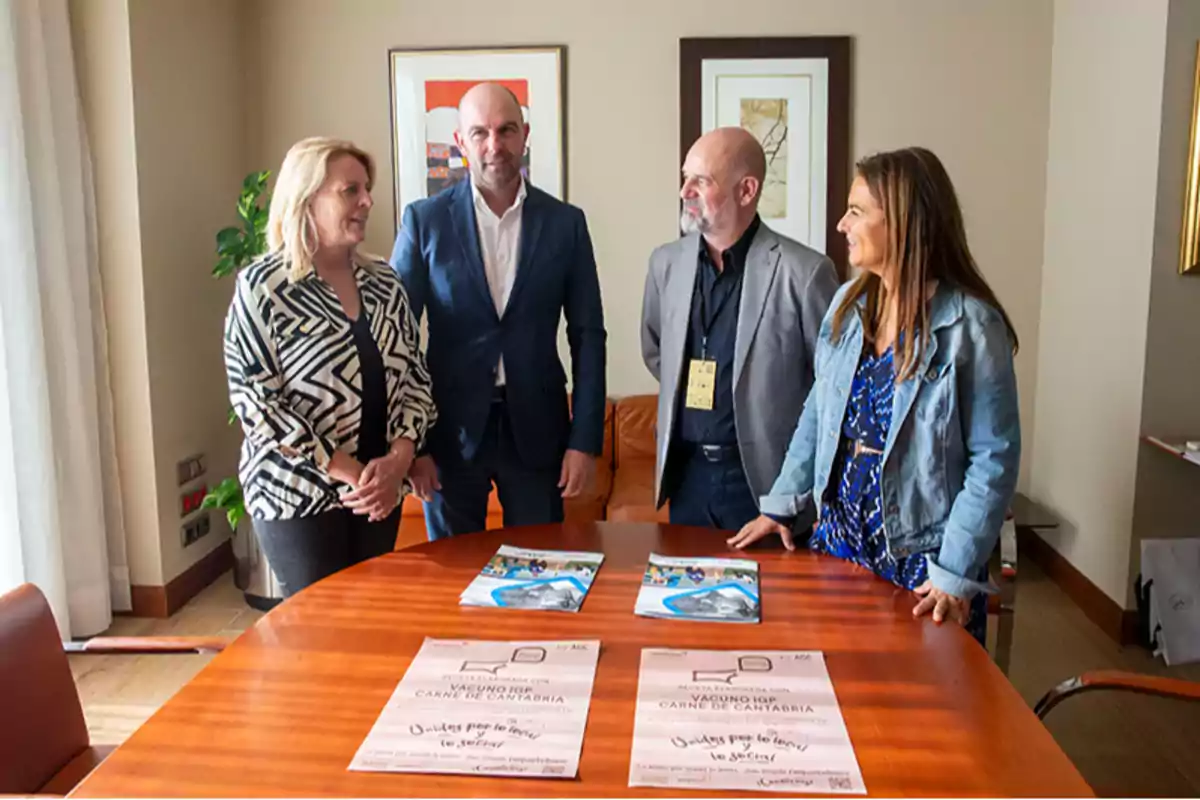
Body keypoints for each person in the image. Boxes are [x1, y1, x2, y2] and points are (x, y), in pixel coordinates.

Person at [729, 146, 1021, 644]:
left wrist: (953, 571)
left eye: (857, 211)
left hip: (924, 571)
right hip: (838, 549)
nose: (842, 224)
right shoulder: (848, 303)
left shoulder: (971, 326)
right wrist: (779, 503)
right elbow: (818, 415)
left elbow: (993, 461)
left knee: (917, 714)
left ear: (904, 222)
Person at [391, 83, 606, 540]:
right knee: (454, 580)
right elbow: (397, 341)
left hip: (538, 430)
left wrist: (584, 441)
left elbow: (588, 335)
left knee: (538, 574)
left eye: (506, 130)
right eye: (480, 132)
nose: (495, 145)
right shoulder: (424, 222)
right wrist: (412, 445)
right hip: (448, 434)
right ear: (460, 141)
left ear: (525, 134)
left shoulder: (566, 224)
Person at [224, 137, 436, 597]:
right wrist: (349, 472)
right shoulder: (265, 287)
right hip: (298, 495)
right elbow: (257, 403)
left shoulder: (385, 282)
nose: (367, 201)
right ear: (307, 197)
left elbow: (417, 380)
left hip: (380, 493)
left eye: (367, 189)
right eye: (350, 190)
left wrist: (399, 459)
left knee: (370, 619)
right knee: (321, 631)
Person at [641, 127, 839, 531]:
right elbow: (656, 349)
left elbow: (833, 384)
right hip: (686, 476)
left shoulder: (805, 273)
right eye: (685, 177)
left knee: (773, 597)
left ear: (746, 191)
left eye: (701, 181)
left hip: (766, 484)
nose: (685, 191)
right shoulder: (665, 264)